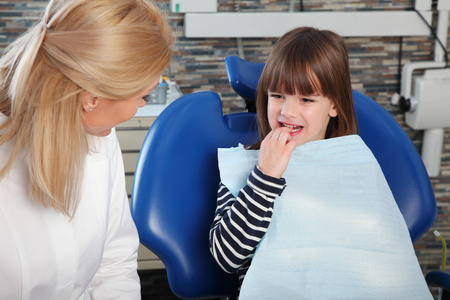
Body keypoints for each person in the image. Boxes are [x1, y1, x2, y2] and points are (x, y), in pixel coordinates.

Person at [209, 27, 432, 299]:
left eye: (306, 99)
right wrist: (265, 177)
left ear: (334, 106)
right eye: (277, 96)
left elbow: (381, 258)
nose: (287, 111)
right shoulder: (243, 170)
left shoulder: (356, 167)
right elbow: (226, 257)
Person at [0, 0, 173, 299]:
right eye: (143, 96)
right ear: (91, 99)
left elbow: (114, 261)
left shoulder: (97, 131)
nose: (142, 104)